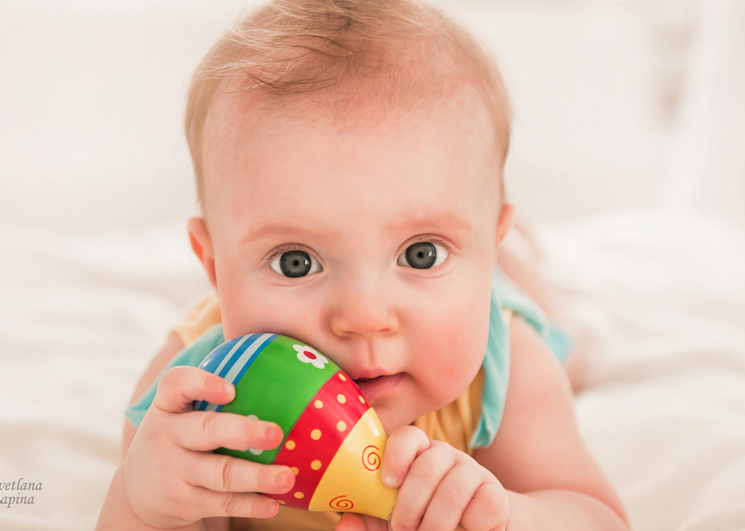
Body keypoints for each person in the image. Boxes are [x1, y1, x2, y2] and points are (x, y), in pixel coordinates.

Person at [96, 0, 628, 529]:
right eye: (296, 262)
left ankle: (518, 270)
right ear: (215, 269)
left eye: (422, 253)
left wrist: (506, 516)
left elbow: (598, 517)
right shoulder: (196, 405)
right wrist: (140, 505)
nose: (364, 315)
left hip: (503, 316)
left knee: (566, 358)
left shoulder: (503, 369)